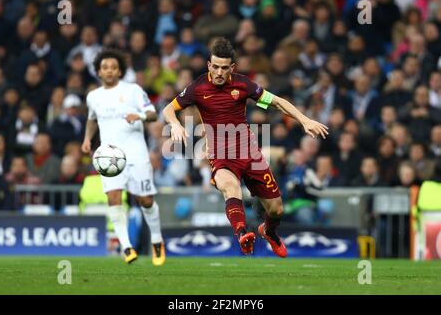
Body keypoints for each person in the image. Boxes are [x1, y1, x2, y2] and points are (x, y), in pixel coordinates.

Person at [162, 38, 328, 257]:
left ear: (232, 68)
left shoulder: (243, 85)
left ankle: (268, 231)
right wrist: (174, 124)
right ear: (209, 65)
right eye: (215, 67)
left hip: (250, 154)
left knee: (276, 209)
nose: (219, 72)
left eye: (224, 67)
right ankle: (242, 233)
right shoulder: (198, 88)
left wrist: (305, 120)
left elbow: (277, 102)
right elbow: (168, 109)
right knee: (231, 188)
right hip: (221, 154)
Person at [81, 49, 165, 266]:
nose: (109, 71)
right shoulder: (93, 97)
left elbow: (153, 113)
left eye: (113, 67)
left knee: (145, 200)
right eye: (105, 67)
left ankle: (157, 240)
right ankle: (126, 247)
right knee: (113, 198)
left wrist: (138, 115)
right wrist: (87, 139)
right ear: (99, 71)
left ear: (120, 71)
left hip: (136, 153)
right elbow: (92, 119)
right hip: (109, 156)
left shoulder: (133, 90)